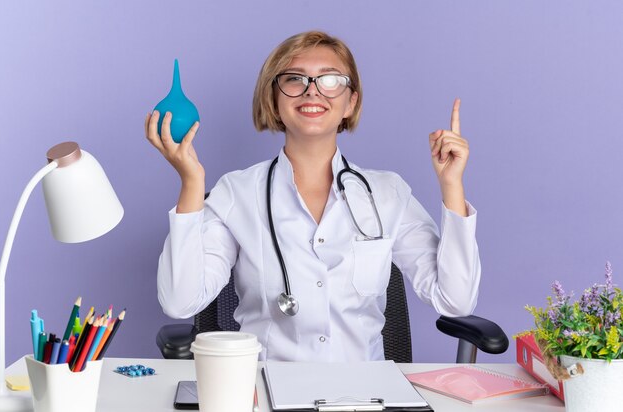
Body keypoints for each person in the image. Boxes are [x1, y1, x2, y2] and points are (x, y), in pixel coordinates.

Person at [146, 31, 480, 362]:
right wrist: (191, 182)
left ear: (351, 101)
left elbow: (455, 300)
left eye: (330, 80)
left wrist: (452, 185)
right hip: (271, 391)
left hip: (366, 395)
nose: (312, 92)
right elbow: (180, 301)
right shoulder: (237, 192)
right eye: (295, 79)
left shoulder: (386, 193)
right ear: (273, 100)